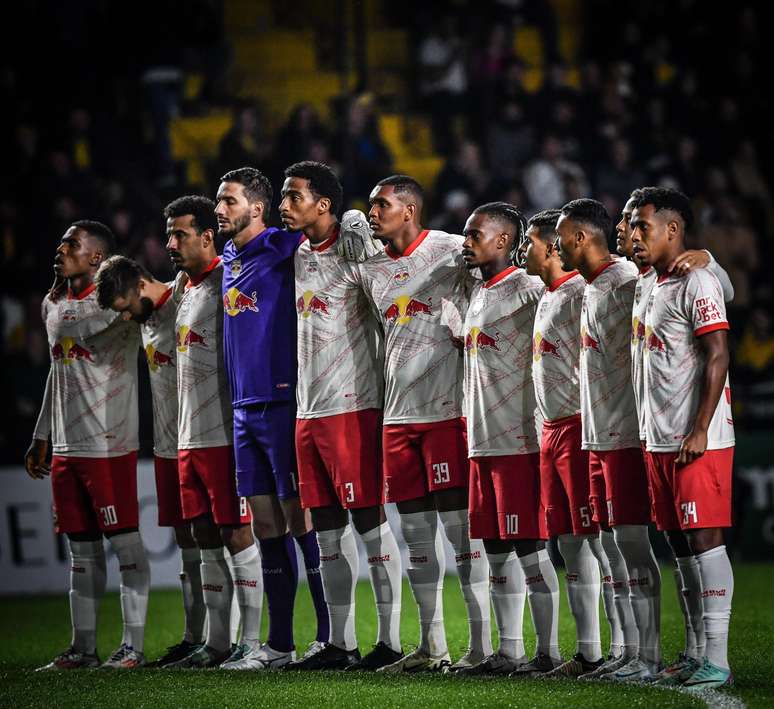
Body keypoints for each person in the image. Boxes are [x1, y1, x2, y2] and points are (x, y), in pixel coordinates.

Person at [357, 175, 490, 674]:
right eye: (370, 206)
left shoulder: (454, 250)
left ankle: (480, 648)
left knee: (462, 540)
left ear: (410, 209)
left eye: (382, 205)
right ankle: (431, 646)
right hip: (397, 417)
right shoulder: (370, 269)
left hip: (446, 413)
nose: (373, 213)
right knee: (416, 542)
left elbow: (505, 279)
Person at [278, 161, 403, 671]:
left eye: (293, 196)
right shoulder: (300, 254)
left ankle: (391, 641)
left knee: (368, 521)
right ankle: (341, 643)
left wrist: (356, 221)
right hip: (308, 410)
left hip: (352, 406)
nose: (285, 206)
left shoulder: (359, 250)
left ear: (324, 204)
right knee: (325, 530)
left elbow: (391, 282)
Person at [618, 187, 734, 685]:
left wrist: (701, 429)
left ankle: (719, 660)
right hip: (657, 438)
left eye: (641, 225)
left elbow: (718, 356)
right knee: (680, 548)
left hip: (695, 438)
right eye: (629, 224)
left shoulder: (699, 280)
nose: (632, 234)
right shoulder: (647, 283)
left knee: (705, 543)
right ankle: (693, 652)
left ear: (673, 229)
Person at [215, 168, 328, 669]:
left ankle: (329, 637)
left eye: (227, 201)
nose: (219, 210)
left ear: (254, 208)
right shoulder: (230, 258)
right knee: (264, 523)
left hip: (282, 402)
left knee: (299, 515)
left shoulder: (285, 247)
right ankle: (279, 645)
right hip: (243, 409)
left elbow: (333, 237)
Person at [25, 221, 150, 670]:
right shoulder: (52, 303)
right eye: (61, 242)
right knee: (81, 550)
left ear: (97, 257)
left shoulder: (120, 306)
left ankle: (133, 648)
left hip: (108, 443)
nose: (61, 249)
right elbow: (57, 372)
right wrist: (43, 436)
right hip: (66, 447)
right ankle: (83, 650)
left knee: (126, 546)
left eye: (72, 244)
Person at [555, 199, 662, 682]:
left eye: (561, 235)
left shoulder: (625, 282)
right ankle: (627, 650)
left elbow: (696, 285)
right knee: (611, 551)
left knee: (633, 547)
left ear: (580, 237)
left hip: (625, 435)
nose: (557, 244)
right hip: (596, 438)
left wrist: (710, 261)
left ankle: (650, 655)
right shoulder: (589, 287)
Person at [455, 203, 561, 677]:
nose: (466, 242)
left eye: (475, 234)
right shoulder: (476, 293)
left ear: (503, 241)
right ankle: (509, 650)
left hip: (518, 440)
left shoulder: (529, 289)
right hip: (481, 441)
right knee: (495, 549)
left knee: (529, 549)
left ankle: (549, 652)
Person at [161, 196, 262, 670]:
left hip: (224, 432)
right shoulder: (184, 286)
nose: (170, 243)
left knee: (236, 532)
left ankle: (253, 641)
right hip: (188, 436)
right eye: (168, 234)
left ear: (207, 236)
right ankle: (216, 643)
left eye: (180, 234)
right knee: (203, 534)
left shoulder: (229, 278)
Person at [94, 255, 206, 667]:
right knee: (184, 541)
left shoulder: (183, 297)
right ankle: (194, 637)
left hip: (204, 438)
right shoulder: (144, 322)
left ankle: (221, 638)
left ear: (142, 284)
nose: (124, 317)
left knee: (214, 538)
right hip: (164, 446)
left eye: (125, 306)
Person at [518, 209, 613, 678]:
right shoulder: (545, 295)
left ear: (553, 247)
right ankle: (589, 652)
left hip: (578, 425)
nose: (525, 250)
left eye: (532, 242)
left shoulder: (580, 292)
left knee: (596, 543)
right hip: (550, 429)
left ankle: (617, 651)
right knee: (569, 544)